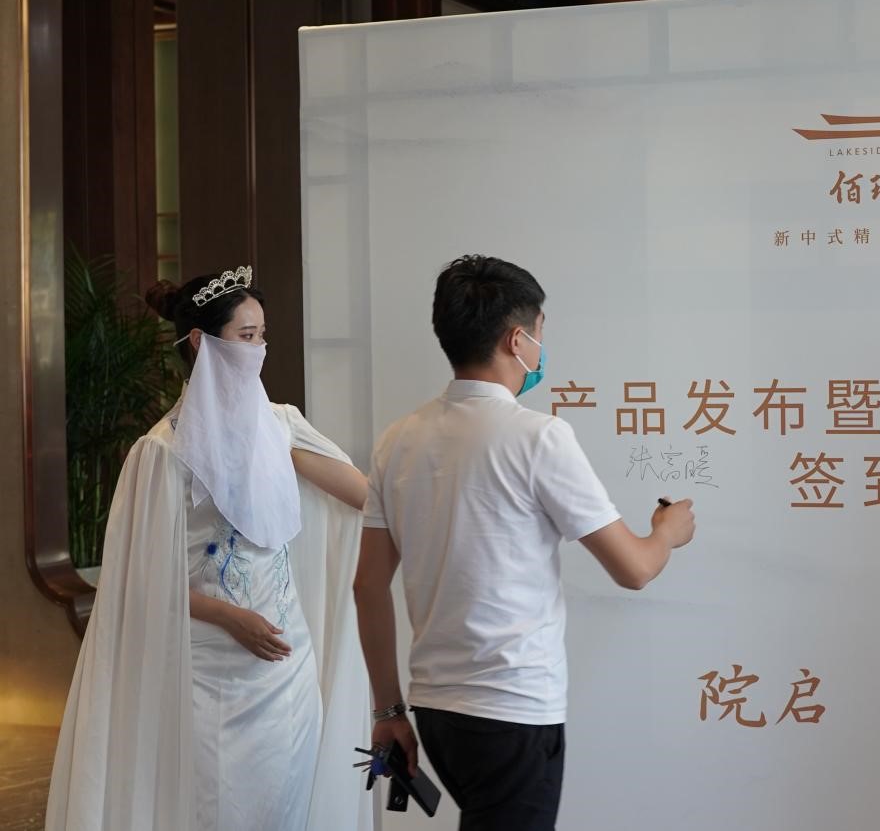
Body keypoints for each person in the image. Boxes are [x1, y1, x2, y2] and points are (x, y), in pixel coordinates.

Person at [353, 254, 697, 830]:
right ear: (517, 340)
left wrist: (388, 708)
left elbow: (368, 586)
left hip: (435, 709)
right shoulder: (539, 438)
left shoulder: (398, 440)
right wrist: (668, 532)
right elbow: (634, 568)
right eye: (539, 332)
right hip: (512, 708)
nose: (541, 347)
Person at [47, 266, 375, 831]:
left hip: (287, 667)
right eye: (246, 336)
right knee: (217, 807)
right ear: (200, 342)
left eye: (262, 335)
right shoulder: (162, 451)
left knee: (289, 806)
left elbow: (366, 498)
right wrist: (229, 617)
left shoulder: (281, 426)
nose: (260, 349)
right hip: (210, 667)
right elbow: (139, 581)